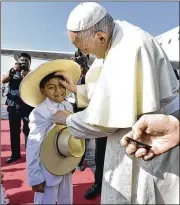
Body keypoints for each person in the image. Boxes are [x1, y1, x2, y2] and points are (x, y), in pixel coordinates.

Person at [52, 2, 179, 204]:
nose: (85, 53)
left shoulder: (128, 49)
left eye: (84, 48)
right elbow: (111, 92)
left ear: (100, 37)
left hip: (148, 144)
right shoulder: (115, 36)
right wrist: (78, 90)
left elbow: (107, 121)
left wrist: (68, 120)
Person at [21, 60, 81, 204]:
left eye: (61, 86)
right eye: (51, 87)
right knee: (46, 200)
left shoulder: (68, 106)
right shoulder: (39, 112)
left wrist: (72, 162)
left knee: (66, 199)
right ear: (43, 90)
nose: (58, 91)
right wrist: (35, 177)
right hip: (46, 169)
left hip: (64, 163)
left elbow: (71, 136)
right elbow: (34, 145)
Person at [72, 49, 107, 199]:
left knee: (106, 154)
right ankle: (98, 184)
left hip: (106, 114)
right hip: (82, 114)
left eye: (84, 56)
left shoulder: (96, 67)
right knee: (98, 155)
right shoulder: (71, 70)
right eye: (78, 55)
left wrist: (86, 72)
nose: (81, 58)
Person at [1, 52, 34, 164]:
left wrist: (28, 75)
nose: (24, 62)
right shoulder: (12, 71)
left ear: (30, 63)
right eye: (22, 60)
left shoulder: (33, 74)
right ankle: (15, 154)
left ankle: (30, 155)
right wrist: (13, 70)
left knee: (28, 131)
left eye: (26, 61)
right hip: (13, 106)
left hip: (27, 107)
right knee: (14, 131)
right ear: (18, 62)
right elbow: (3, 80)